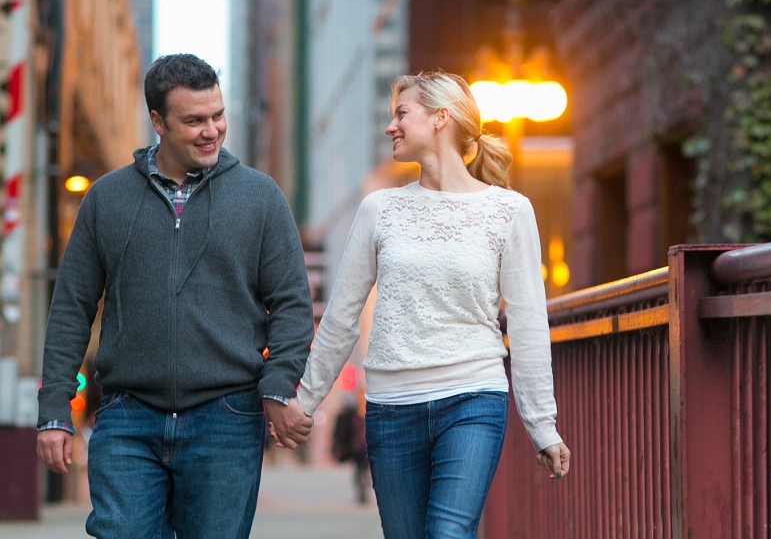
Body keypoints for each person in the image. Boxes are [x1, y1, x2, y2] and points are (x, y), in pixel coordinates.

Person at [36, 54, 315, 538]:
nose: (212, 130)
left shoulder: (260, 197)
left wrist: (278, 383)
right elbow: (71, 307)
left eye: (217, 115)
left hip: (226, 417)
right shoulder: (107, 198)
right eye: (194, 120)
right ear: (158, 122)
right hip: (127, 416)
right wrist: (55, 408)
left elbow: (291, 302)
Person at [292, 71, 571, 538]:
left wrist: (543, 424)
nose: (390, 127)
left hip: (473, 399)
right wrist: (305, 400)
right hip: (391, 406)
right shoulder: (379, 210)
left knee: (449, 533)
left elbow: (527, 326)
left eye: (401, 114)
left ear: (441, 118)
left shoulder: (510, 211)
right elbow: (341, 316)